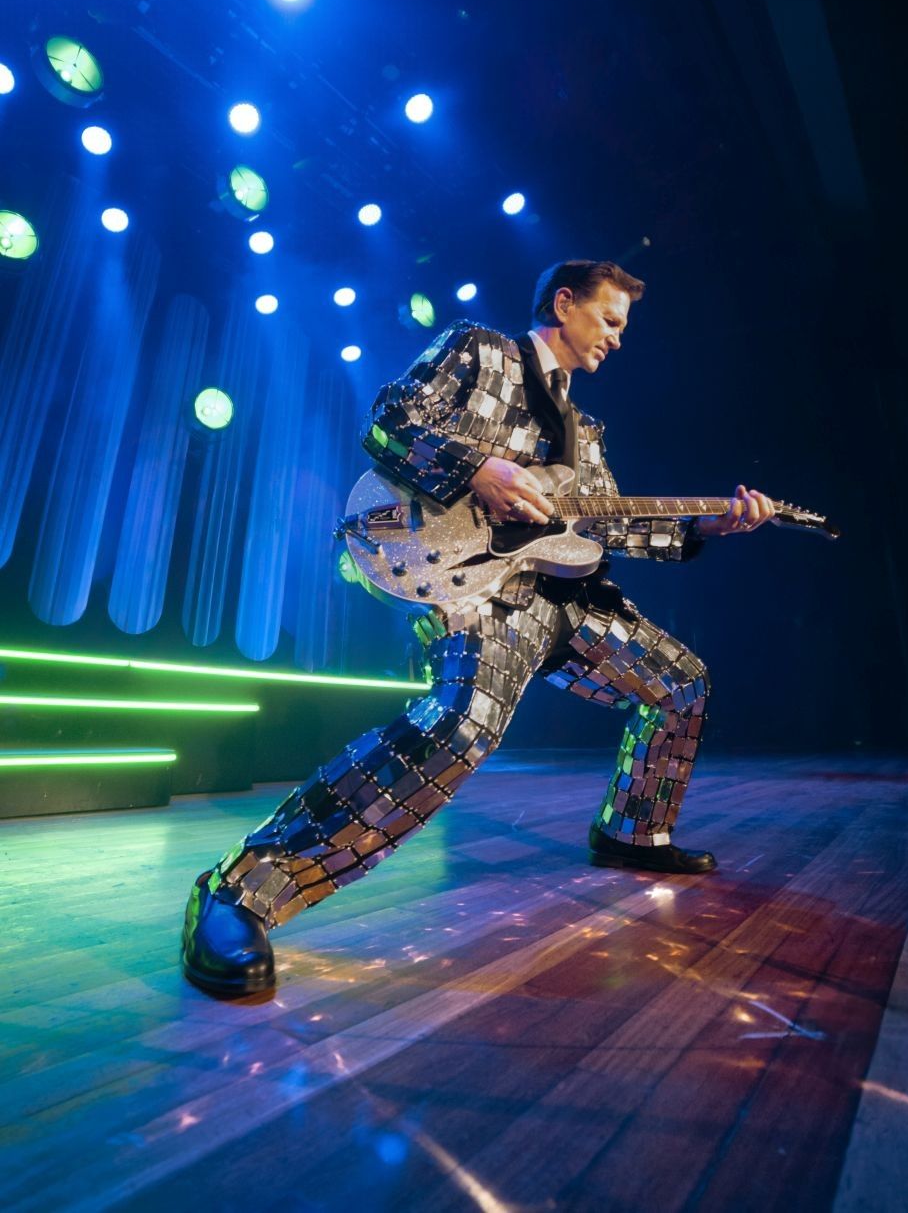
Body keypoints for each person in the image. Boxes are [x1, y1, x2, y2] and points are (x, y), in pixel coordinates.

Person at [182, 259, 774, 996]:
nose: (618, 338)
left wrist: (708, 526)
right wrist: (478, 471)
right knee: (461, 727)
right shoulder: (481, 351)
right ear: (565, 303)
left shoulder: (587, 431)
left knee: (681, 686)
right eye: (610, 319)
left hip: (572, 602)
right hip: (482, 590)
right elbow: (389, 422)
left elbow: (607, 527)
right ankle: (240, 892)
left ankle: (632, 831)